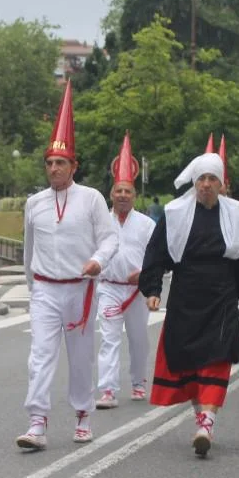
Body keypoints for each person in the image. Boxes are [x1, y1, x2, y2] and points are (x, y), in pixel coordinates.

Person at [139, 153, 239, 456]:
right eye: (202, 179)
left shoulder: (235, 215)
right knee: (192, 363)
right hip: (185, 297)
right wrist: (153, 289)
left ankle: (207, 423)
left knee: (217, 358)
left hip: (222, 298)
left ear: (222, 184)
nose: (206, 185)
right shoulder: (175, 215)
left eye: (212, 179)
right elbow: (156, 255)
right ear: (194, 183)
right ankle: (202, 416)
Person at [17, 82, 118, 451]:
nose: (53, 168)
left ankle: (83, 415)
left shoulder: (91, 199)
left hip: (80, 289)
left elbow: (110, 239)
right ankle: (36, 422)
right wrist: (33, 285)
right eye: (49, 162)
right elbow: (29, 249)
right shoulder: (34, 203)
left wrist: (97, 261)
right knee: (40, 356)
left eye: (60, 163)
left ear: (74, 166)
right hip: (45, 289)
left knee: (79, 357)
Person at [96, 133, 155, 409]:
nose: (122, 195)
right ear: (111, 194)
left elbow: (157, 257)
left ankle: (138, 382)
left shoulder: (146, 224)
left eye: (127, 191)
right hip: (108, 288)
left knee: (138, 339)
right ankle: (108, 389)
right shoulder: (100, 222)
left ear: (134, 195)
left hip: (136, 291)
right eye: (118, 191)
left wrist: (145, 274)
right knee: (109, 339)